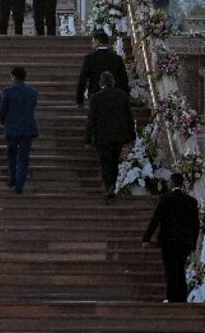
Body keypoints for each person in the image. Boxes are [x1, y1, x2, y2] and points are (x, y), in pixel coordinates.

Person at [142, 170, 200, 302]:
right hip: (184, 241)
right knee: (180, 268)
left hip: (168, 241)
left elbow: (155, 219)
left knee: (170, 270)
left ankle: (172, 297)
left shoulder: (165, 199)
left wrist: (146, 238)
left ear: (171, 183)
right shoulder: (191, 201)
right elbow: (195, 225)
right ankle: (181, 297)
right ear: (182, 183)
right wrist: (193, 243)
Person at [86, 71, 136, 201]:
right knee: (115, 161)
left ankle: (109, 186)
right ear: (113, 82)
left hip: (102, 136)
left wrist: (88, 137)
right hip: (120, 135)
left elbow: (91, 119)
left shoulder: (95, 98)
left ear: (101, 83)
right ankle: (113, 184)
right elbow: (129, 117)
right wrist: (132, 135)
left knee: (105, 163)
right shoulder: (122, 96)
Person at [0, 65, 38, 195]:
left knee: (11, 154)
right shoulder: (33, 92)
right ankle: (20, 184)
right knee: (24, 158)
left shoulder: (7, 92)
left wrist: (3, 120)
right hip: (27, 129)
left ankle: (12, 178)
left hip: (12, 128)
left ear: (13, 77)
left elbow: (2, 111)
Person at [76, 31, 129, 105]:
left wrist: (79, 100)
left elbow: (83, 79)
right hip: (114, 96)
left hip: (95, 95)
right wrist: (125, 98)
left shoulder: (90, 58)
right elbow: (124, 79)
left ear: (98, 41)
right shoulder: (117, 58)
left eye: (93, 41)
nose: (92, 43)